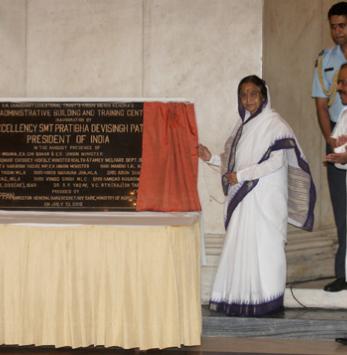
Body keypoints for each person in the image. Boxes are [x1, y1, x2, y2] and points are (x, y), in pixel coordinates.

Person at [199, 75, 316, 317]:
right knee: (241, 245)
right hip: (245, 199)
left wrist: (241, 176)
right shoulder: (242, 128)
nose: (248, 99)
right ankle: (241, 298)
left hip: (266, 200)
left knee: (266, 249)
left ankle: (270, 301)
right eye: (243, 94)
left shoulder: (276, 125)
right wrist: (210, 157)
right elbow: (231, 161)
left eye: (253, 94)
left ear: (263, 96)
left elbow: (276, 162)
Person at [312, 1, 347, 292]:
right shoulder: (325, 60)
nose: (337, 31)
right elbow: (322, 105)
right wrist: (330, 138)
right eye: (333, 26)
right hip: (339, 136)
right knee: (342, 210)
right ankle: (343, 272)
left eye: (342, 25)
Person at [326, 63, 347, 345]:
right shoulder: (343, 112)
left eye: (344, 82)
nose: (340, 87)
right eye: (340, 82)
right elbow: (339, 151)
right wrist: (340, 152)